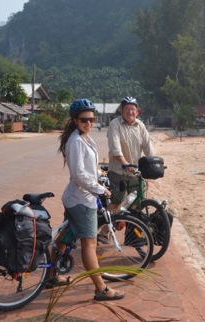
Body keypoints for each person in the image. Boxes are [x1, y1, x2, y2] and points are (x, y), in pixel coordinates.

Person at [55, 98, 125, 301]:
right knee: (89, 245)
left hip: (77, 198)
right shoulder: (77, 141)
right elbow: (78, 174)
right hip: (82, 201)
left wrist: (100, 174)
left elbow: (88, 168)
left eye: (92, 119)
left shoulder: (84, 137)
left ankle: (51, 276)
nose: (89, 123)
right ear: (75, 120)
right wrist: (100, 189)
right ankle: (101, 289)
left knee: (65, 237)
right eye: (84, 120)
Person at [106, 96, 155, 212]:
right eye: (126, 109)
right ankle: (104, 223)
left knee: (136, 203)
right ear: (121, 111)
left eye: (133, 109)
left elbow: (148, 147)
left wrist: (153, 164)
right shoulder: (115, 124)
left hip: (135, 173)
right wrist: (125, 164)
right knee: (116, 202)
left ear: (137, 111)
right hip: (118, 172)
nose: (130, 112)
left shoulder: (140, 126)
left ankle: (129, 222)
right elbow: (115, 149)